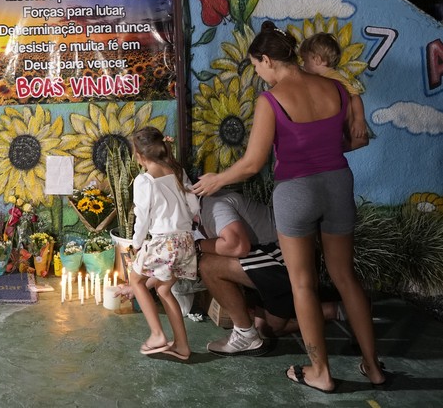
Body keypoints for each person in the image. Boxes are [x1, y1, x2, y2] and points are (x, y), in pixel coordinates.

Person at [192, 23, 382, 392]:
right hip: (339, 184)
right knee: (346, 278)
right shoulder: (337, 88)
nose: (259, 74)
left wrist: (216, 180)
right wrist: (319, 151)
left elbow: (252, 162)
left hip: (296, 192)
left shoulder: (272, 100)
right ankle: (374, 367)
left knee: (302, 283)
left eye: (257, 66)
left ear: (267, 59)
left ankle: (320, 372)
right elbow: (356, 142)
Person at [196, 190, 341, 356]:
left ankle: (244, 335)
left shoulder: (212, 205)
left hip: (286, 261)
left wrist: (195, 246)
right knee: (267, 329)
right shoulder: (196, 212)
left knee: (209, 264)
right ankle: (334, 309)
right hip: (270, 258)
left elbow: (237, 246)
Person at [128, 126, 199, 361]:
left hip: (165, 241)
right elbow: (195, 206)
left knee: (135, 279)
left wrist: (136, 244)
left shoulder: (144, 180)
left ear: (138, 155)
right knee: (164, 288)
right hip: (186, 241)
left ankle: (157, 334)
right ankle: (182, 346)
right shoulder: (177, 171)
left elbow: (143, 217)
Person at [298, 33, 370, 142]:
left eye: (305, 60)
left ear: (317, 59)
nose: (303, 65)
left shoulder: (334, 77)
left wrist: (359, 120)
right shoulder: (320, 79)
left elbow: (355, 95)